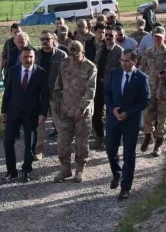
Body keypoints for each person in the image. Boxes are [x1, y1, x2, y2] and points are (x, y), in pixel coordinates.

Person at [105, 49, 151, 200]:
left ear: (134, 62)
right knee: (110, 149)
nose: (124, 64)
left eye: (127, 61)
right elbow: (107, 93)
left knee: (129, 154)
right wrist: (113, 110)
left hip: (131, 121)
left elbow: (145, 100)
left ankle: (126, 187)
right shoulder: (114, 73)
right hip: (114, 118)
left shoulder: (142, 78)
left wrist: (128, 113)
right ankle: (117, 172)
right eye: (122, 60)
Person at [0, 47, 48, 183]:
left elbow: (45, 95)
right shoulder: (13, 71)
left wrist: (43, 113)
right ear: (20, 58)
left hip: (32, 114)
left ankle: (26, 170)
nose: (28, 60)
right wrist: (4, 111)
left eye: (31, 57)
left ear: (34, 57)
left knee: (30, 144)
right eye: (25, 57)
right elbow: (7, 92)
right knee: (8, 141)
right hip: (13, 112)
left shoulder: (41, 73)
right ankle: (11, 171)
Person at [53, 41, 97, 183]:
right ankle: (65, 169)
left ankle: (80, 169)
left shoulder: (90, 67)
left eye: (76, 56)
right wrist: (57, 102)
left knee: (81, 142)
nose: (73, 58)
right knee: (62, 141)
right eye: (71, 55)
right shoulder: (64, 64)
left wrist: (82, 107)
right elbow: (58, 85)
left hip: (82, 112)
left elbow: (91, 91)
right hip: (66, 109)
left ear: (83, 53)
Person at [139, 27, 166, 157]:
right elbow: (142, 69)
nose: (157, 39)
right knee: (147, 115)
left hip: (165, 91)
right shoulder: (148, 53)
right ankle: (148, 136)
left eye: (159, 36)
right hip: (150, 90)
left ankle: (158, 143)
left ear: (164, 37)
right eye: (155, 36)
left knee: (162, 118)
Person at [92, 26, 124, 149]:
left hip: (112, 86)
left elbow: (121, 71)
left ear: (116, 36)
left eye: (111, 35)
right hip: (98, 85)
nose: (108, 37)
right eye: (107, 35)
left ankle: (111, 139)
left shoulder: (119, 51)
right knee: (96, 113)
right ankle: (99, 137)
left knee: (112, 113)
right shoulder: (100, 47)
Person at [35, 30, 68, 146]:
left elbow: (66, 75)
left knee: (59, 122)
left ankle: (64, 148)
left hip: (56, 94)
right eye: (42, 39)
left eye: (47, 39)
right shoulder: (37, 55)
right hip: (40, 94)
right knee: (40, 123)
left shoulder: (61, 55)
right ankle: (39, 150)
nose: (44, 42)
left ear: (54, 40)